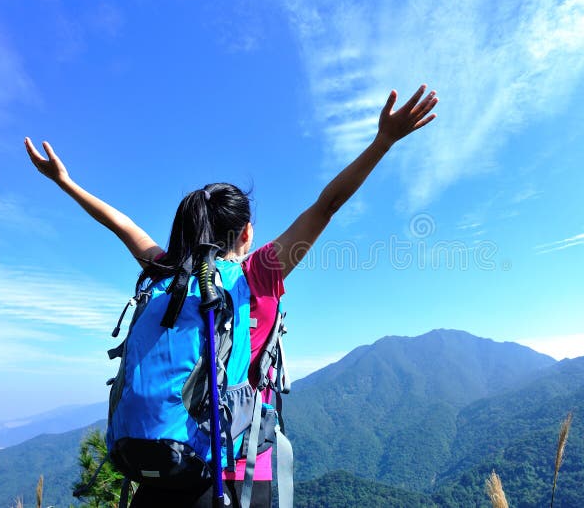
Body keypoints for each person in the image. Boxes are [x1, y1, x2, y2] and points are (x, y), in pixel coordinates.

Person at [25, 85, 438, 507]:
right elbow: (327, 204)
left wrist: (66, 183)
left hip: (159, 463)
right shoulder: (258, 273)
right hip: (230, 473)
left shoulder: (169, 270)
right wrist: (383, 141)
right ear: (246, 232)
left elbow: (123, 226)